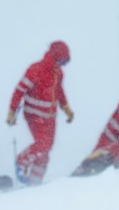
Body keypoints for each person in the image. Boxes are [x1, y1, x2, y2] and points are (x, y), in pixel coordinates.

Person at [6, 40, 74, 184]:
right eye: (62, 62)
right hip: (34, 115)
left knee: (45, 151)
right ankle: (21, 161)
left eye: (65, 64)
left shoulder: (58, 73)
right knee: (43, 145)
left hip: (50, 117)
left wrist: (66, 107)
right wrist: (12, 111)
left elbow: (59, 91)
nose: (63, 66)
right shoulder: (36, 69)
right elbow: (20, 90)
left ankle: (34, 183)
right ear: (56, 57)